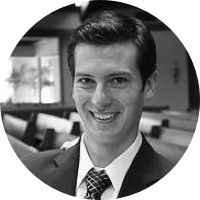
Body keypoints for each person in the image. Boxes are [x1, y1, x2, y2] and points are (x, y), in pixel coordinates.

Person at [21, 11, 174, 198]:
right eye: (86, 81)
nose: (99, 100)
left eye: (118, 80)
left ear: (149, 85)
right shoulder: (32, 169)